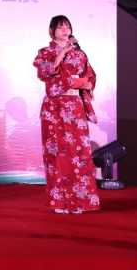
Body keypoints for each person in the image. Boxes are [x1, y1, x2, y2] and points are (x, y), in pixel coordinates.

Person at [33, 15, 100, 214]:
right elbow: (44, 73)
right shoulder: (45, 52)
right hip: (54, 108)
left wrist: (85, 83)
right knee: (56, 153)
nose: (65, 30)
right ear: (52, 31)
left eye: (67, 27)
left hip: (74, 106)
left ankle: (80, 201)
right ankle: (59, 201)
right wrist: (61, 55)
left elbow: (90, 77)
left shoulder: (80, 54)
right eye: (60, 27)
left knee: (78, 154)